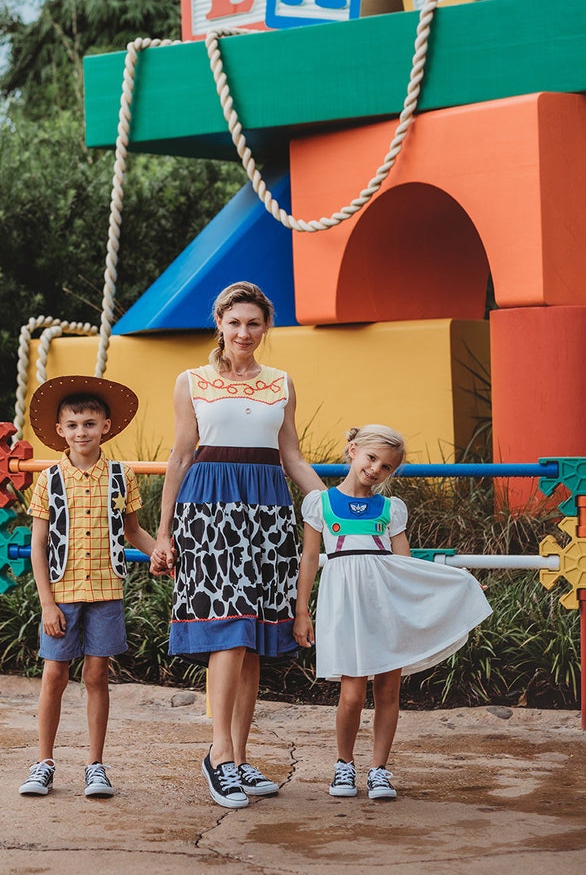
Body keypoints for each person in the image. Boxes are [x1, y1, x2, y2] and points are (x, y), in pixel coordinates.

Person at [150, 280, 324, 809]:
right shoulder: (192, 381)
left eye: (253, 323)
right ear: (220, 325)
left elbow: (291, 455)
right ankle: (219, 756)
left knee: (251, 642)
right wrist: (164, 530)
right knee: (226, 632)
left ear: (264, 328)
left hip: (267, 509)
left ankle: (241, 760)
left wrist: (334, 504)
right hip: (207, 511)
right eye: (234, 323)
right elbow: (180, 457)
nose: (244, 332)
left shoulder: (281, 383)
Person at [293, 424, 492, 801]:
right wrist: (302, 611)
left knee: (388, 690)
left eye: (386, 467)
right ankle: (344, 764)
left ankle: (380, 769)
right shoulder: (320, 504)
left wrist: (457, 582)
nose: (375, 469)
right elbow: (308, 560)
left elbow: (407, 567)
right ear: (352, 451)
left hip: (386, 607)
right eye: (371, 458)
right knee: (351, 694)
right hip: (345, 607)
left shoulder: (389, 509)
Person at [19, 374, 155, 800]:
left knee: (97, 675)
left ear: (106, 427)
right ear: (60, 430)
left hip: (106, 593)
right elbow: (38, 545)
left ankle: (95, 765)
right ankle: (43, 762)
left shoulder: (122, 476)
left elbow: (133, 531)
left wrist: (161, 553)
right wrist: (47, 603)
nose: (82, 432)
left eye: (90, 424)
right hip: (61, 595)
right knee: (54, 675)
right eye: (74, 425)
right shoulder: (49, 479)